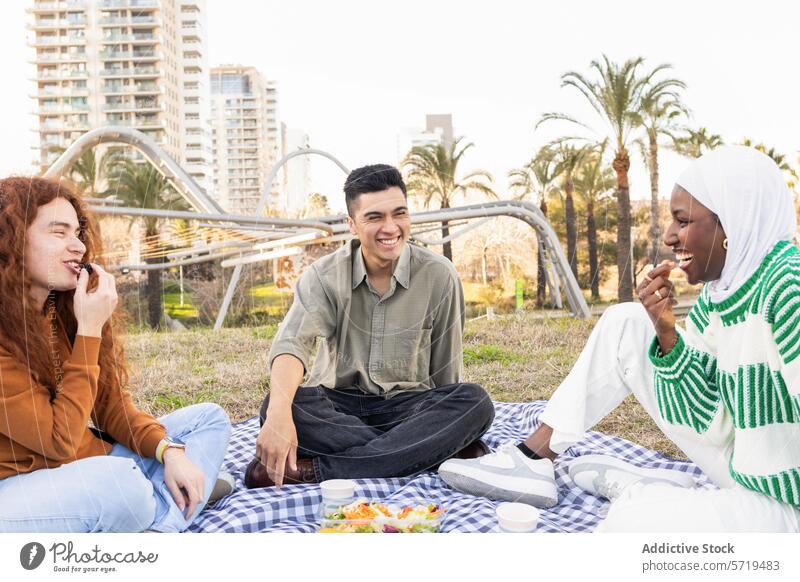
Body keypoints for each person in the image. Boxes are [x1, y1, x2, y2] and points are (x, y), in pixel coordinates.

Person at [439, 146, 800, 532]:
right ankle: (533, 458)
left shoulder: (787, 289)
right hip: (743, 465)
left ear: (732, 221)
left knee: (628, 529)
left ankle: (645, 491)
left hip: (784, 499)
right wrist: (664, 329)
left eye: (682, 220)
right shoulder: (724, 290)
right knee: (627, 321)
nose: (669, 236)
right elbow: (710, 421)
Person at [0, 177, 233, 533]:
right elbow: (58, 442)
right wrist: (90, 331)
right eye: (59, 233)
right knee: (123, 485)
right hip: (21, 487)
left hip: (90, 465)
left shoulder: (57, 312)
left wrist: (168, 451)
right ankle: (167, 500)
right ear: (11, 241)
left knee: (209, 420)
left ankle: (159, 523)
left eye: (77, 233)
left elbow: (109, 404)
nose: (77, 245)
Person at [244, 164, 495, 488]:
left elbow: (445, 377)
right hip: (335, 407)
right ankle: (421, 455)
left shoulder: (439, 275)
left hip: (407, 406)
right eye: (375, 217)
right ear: (352, 224)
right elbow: (292, 345)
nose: (390, 227)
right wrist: (279, 416)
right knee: (281, 405)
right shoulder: (324, 276)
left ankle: (312, 471)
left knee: (474, 402)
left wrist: (449, 423)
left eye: (399, 213)